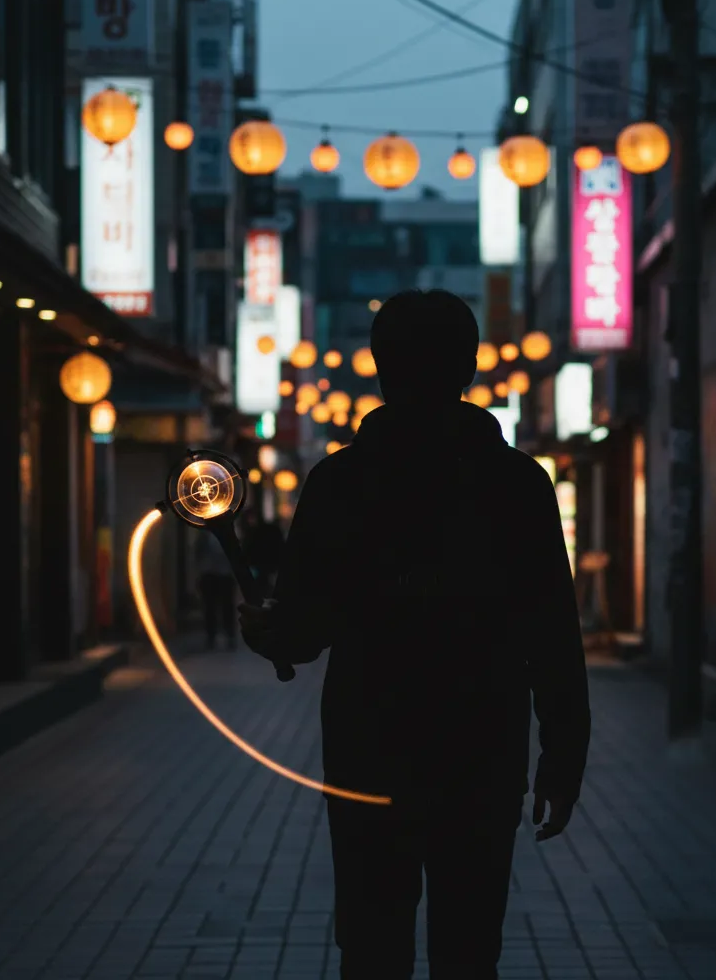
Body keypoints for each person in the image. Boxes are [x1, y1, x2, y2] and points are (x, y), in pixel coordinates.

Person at [239, 289, 591, 980]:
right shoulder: (517, 484)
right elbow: (552, 627)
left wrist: (268, 632)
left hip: (370, 746)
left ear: (378, 368)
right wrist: (562, 754)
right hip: (483, 749)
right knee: (469, 945)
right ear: (471, 367)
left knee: (372, 943)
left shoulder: (339, 483)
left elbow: (304, 632)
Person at [194, 528, 236, 650]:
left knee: (225, 607)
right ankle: (212, 636)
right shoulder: (205, 535)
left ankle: (228, 635)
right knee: (211, 607)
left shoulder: (226, 534)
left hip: (223, 575)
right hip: (211, 575)